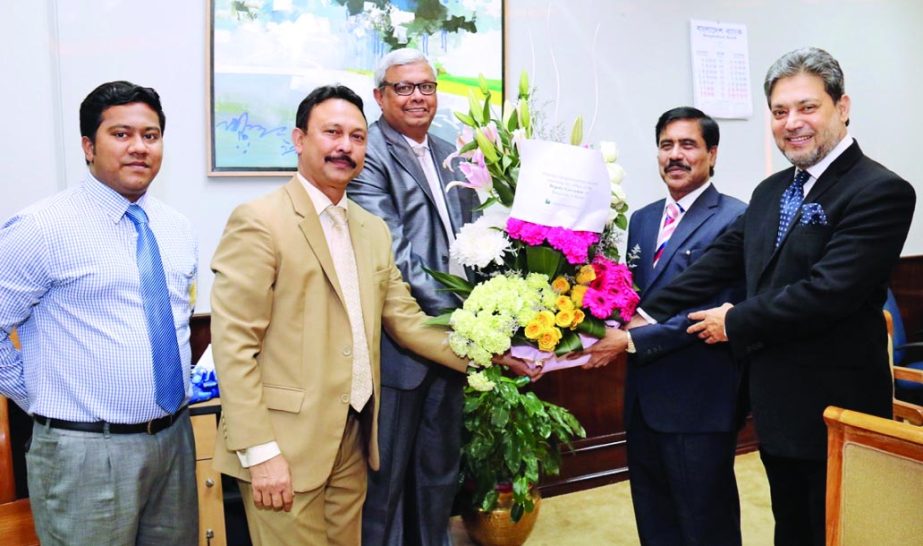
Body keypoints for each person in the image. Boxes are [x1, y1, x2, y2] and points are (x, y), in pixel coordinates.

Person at [639, 47, 916, 545]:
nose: (792, 122)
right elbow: (721, 260)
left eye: (807, 107)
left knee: (840, 530)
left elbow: (827, 292)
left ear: (842, 106)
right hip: (774, 405)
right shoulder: (771, 191)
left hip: (838, 406)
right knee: (790, 527)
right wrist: (638, 312)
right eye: (780, 111)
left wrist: (735, 321)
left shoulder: (881, 190)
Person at [209, 84, 469, 546]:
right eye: (332, 132)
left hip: (351, 442)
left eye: (357, 136)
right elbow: (234, 345)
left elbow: (407, 321)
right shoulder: (259, 220)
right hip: (284, 448)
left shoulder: (371, 230)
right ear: (299, 139)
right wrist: (261, 451)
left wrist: (490, 357)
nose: (345, 147)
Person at [0, 80, 199, 545]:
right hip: (83, 452)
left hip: (173, 440)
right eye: (121, 134)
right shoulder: (42, 228)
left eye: (150, 136)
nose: (139, 147)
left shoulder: (176, 228)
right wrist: (39, 397)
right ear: (89, 146)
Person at [347, 48, 479, 546]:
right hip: (400, 341)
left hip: (454, 342)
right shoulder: (368, 153)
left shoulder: (451, 152)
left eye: (426, 86)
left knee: (439, 472)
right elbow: (394, 250)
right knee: (387, 480)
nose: (417, 96)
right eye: (403, 88)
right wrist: (460, 321)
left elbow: (472, 236)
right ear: (380, 96)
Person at [623, 107, 746, 545]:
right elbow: (630, 299)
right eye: (666, 145)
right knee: (655, 518)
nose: (675, 155)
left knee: (705, 521)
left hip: (700, 395)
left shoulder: (735, 217)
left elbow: (716, 309)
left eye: (688, 145)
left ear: (711, 154)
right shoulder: (640, 219)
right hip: (642, 396)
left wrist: (630, 340)